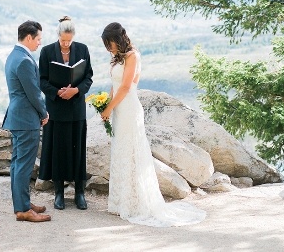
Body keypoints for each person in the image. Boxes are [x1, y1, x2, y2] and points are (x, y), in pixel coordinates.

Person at [99, 22, 206, 227]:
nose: (108, 48)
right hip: (118, 109)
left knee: (132, 152)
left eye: (110, 43)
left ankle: (136, 203)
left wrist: (109, 108)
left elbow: (126, 87)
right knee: (121, 152)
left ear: (118, 39)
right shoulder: (117, 57)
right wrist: (106, 102)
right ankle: (121, 202)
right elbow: (114, 85)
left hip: (128, 109)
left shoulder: (133, 56)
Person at [38, 16, 94, 210]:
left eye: (69, 40)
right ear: (58, 36)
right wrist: (57, 92)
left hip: (77, 108)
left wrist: (76, 90)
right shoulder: (46, 52)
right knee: (58, 151)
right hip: (56, 108)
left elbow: (88, 77)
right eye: (63, 40)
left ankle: (80, 193)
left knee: (78, 151)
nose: (66, 43)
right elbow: (42, 80)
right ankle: (59, 194)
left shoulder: (83, 49)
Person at [3, 20, 51, 223]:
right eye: (38, 39)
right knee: (23, 165)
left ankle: (22, 202)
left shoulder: (13, 56)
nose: (40, 43)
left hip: (17, 117)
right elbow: (34, 93)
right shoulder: (24, 60)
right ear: (29, 37)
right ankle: (22, 209)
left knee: (17, 164)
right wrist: (44, 113)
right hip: (25, 119)